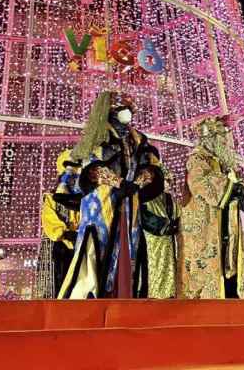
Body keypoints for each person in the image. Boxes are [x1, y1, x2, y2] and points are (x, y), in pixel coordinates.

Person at [59, 92, 165, 299]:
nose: (128, 113)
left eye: (130, 109)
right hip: (101, 200)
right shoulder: (100, 135)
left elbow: (152, 168)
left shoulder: (138, 139)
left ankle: (123, 293)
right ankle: (91, 296)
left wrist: (137, 183)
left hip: (129, 200)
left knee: (129, 245)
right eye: (123, 109)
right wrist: (119, 182)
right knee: (98, 246)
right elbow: (92, 168)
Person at [179, 116, 244, 299]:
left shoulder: (224, 162)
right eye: (222, 138)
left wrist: (238, 188)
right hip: (207, 224)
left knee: (228, 258)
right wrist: (232, 188)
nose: (226, 142)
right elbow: (199, 183)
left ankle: (232, 292)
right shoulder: (197, 159)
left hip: (226, 221)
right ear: (210, 139)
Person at [38, 149, 81, 298]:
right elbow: (49, 219)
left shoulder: (83, 198)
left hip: (80, 244)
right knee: (58, 281)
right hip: (59, 245)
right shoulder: (51, 198)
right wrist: (64, 233)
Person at [140, 188, 180, 299]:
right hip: (153, 240)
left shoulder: (170, 192)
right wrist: (164, 226)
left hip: (172, 240)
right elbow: (143, 215)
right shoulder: (144, 192)